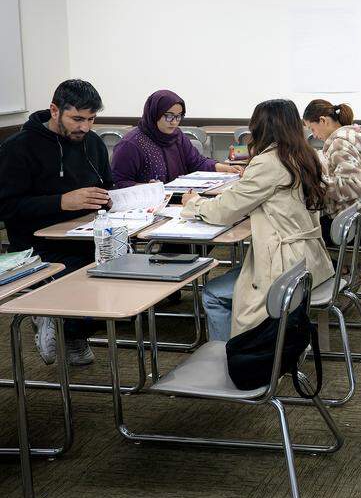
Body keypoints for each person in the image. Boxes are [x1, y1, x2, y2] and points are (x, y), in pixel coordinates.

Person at [182, 100, 334, 342]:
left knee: (213, 293)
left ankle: (233, 355)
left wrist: (193, 203)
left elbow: (225, 210)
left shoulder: (270, 161)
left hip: (284, 267)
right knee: (237, 277)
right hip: (309, 259)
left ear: (261, 128)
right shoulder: (305, 154)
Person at [0, 79, 112, 366]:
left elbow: (107, 187)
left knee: (124, 274)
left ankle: (70, 330)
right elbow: (6, 207)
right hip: (38, 246)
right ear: (54, 110)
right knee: (82, 276)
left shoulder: (94, 144)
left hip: (88, 237)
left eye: (91, 119)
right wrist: (61, 202)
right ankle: (56, 318)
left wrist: (108, 200)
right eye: (77, 118)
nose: (84, 127)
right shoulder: (19, 148)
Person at [111, 89, 240, 187]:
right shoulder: (131, 144)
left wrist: (226, 168)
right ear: (154, 114)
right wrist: (146, 188)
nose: (174, 122)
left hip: (177, 201)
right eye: (169, 116)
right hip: (145, 208)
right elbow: (118, 183)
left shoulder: (177, 136)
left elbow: (197, 162)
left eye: (178, 116)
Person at [302, 99, 361, 246]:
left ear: (323, 120)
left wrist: (317, 181)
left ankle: (333, 268)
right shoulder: (352, 137)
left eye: (312, 128)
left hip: (353, 226)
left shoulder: (340, 143)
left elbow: (354, 186)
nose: (314, 135)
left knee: (303, 232)